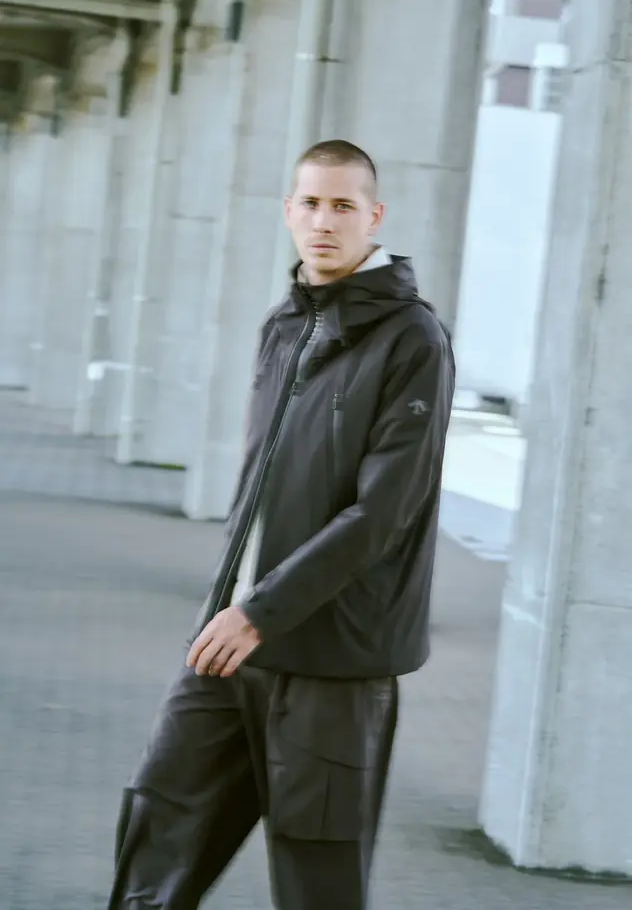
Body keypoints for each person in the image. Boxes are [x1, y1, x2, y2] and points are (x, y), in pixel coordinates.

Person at [107, 139, 456, 909]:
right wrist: (234, 605)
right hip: (229, 638)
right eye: (310, 203)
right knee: (157, 827)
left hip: (329, 657)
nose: (323, 221)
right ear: (288, 211)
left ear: (374, 215)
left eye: (342, 206)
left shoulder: (413, 339)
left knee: (315, 877)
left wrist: (260, 612)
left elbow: (382, 514)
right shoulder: (284, 323)